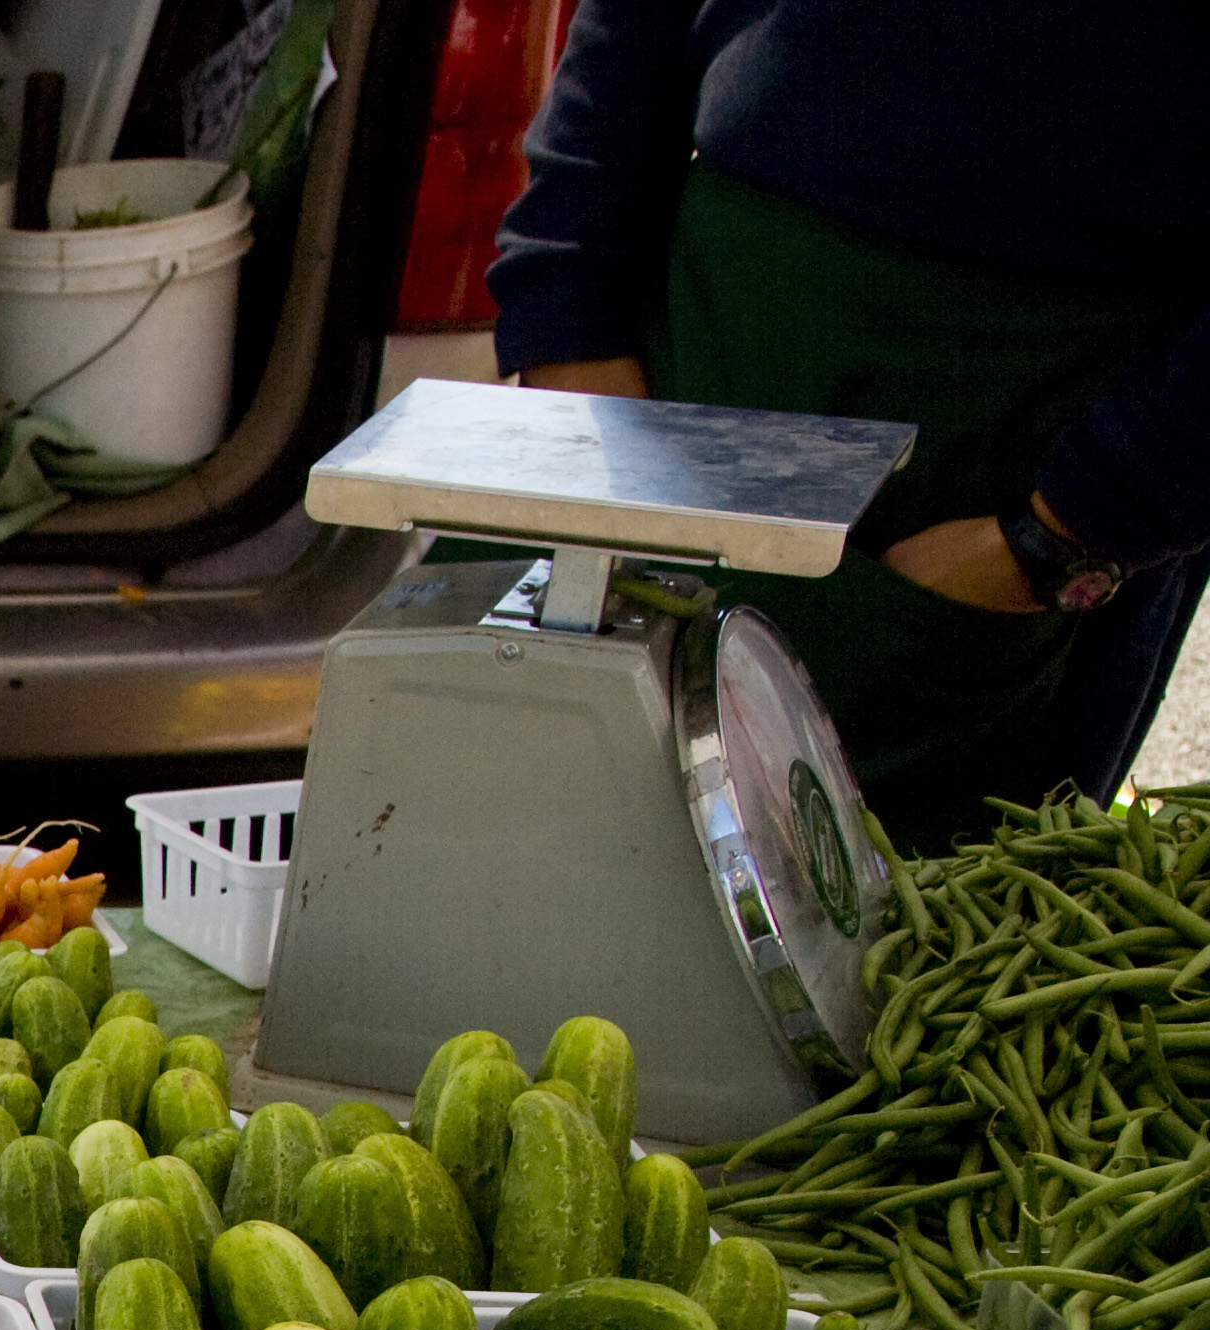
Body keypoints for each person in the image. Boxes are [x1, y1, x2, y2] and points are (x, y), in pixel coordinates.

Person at [482, 2, 1207, 843]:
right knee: (507, 849)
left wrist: (1062, 534)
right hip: (681, 367)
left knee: (880, 938)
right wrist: (567, 312)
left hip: (1011, 474)